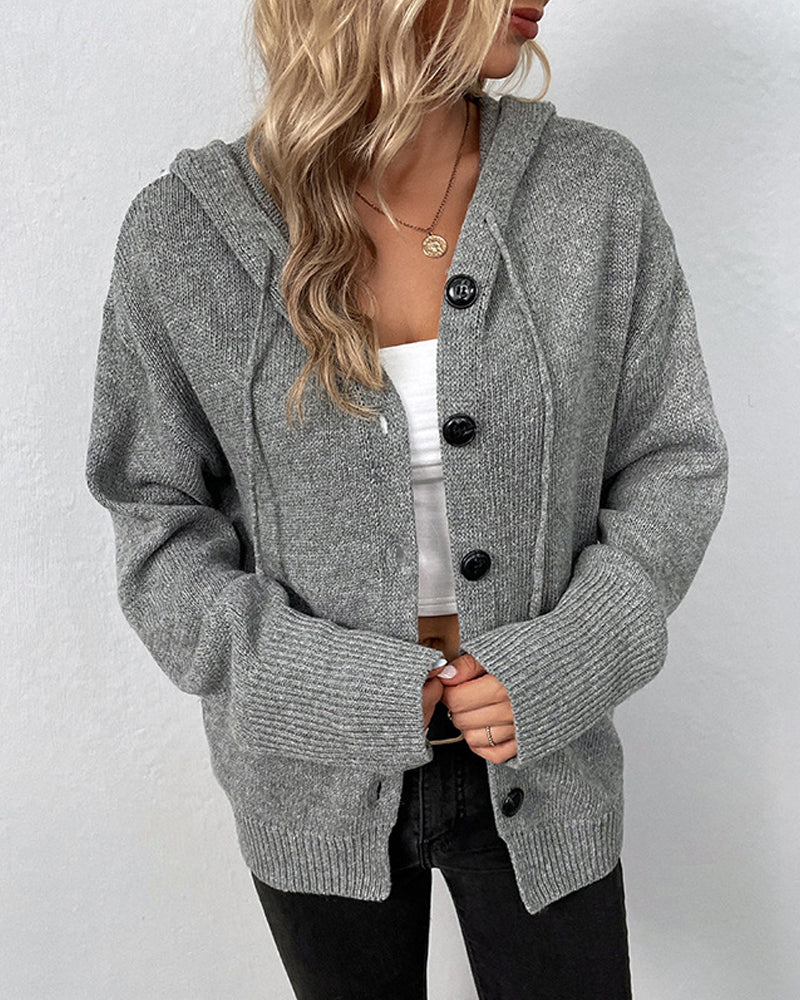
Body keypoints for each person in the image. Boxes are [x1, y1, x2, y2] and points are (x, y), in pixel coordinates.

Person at [84, 1, 728, 997]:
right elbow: (155, 523)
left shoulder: (591, 190)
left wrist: (570, 654)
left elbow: (672, 460)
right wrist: (328, 684)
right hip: (308, 775)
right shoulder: (187, 233)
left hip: (545, 758)